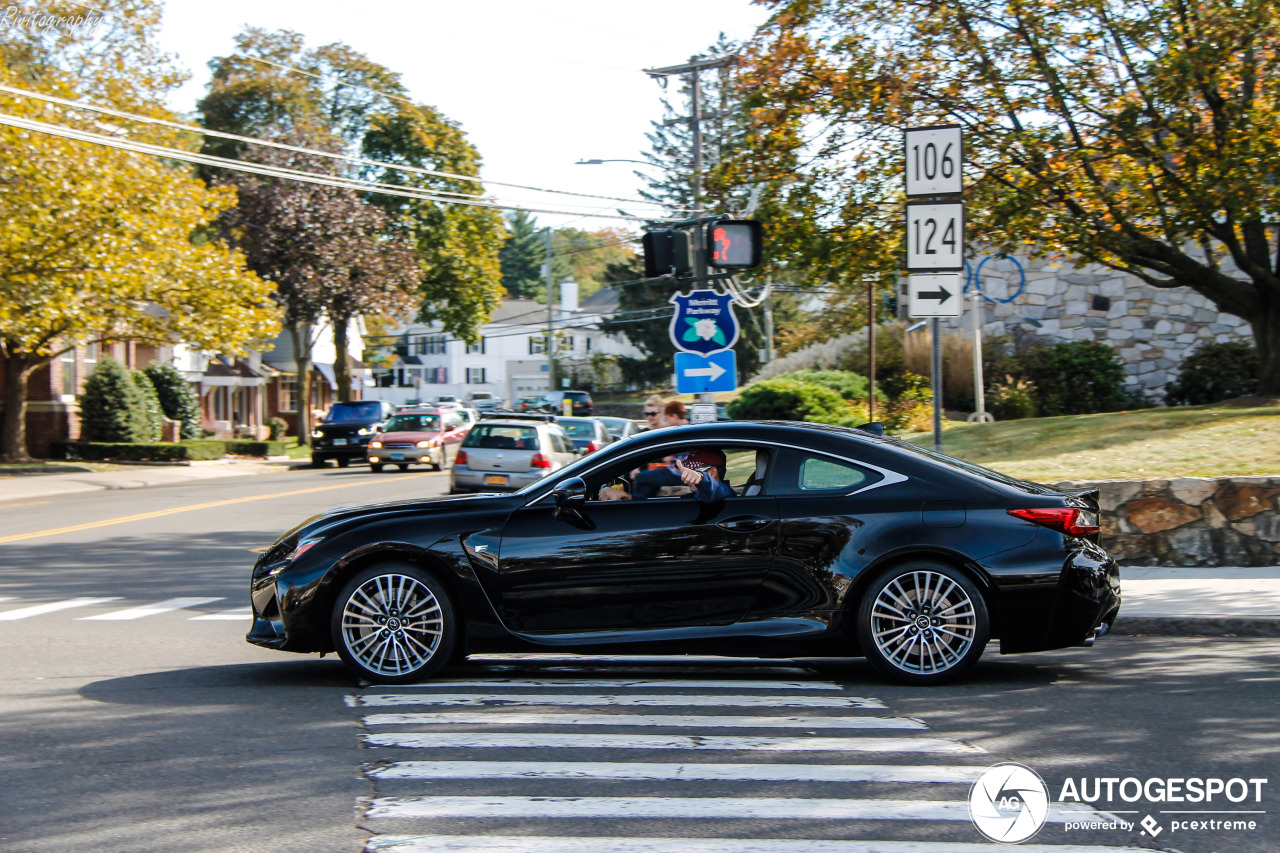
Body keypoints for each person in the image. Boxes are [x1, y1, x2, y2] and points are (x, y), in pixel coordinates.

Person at [628, 447, 732, 502]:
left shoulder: (724, 494)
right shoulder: (694, 497)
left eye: (693, 468)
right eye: (686, 467)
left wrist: (701, 478)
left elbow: (715, 489)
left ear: (713, 472)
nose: (686, 472)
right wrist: (628, 497)